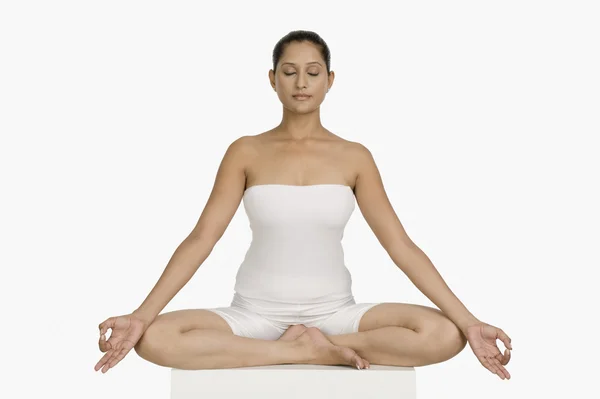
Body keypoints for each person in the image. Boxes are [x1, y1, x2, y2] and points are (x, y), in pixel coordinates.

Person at [94, 30, 512, 380]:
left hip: (335, 313)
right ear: (272, 79)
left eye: (312, 73)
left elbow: (401, 247)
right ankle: (306, 352)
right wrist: (141, 314)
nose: (301, 83)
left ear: (330, 80)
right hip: (254, 315)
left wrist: (470, 321)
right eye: (289, 73)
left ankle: (324, 343)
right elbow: (203, 238)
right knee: (154, 338)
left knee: (443, 334)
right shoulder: (245, 151)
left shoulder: (355, 156)